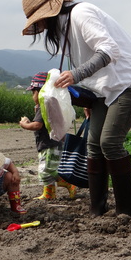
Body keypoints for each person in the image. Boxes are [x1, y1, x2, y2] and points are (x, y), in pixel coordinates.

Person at [21, 0, 131, 216]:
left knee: (110, 143)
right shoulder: (63, 29)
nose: (39, 27)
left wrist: (76, 75)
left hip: (129, 82)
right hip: (103, 90)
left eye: (38, 21)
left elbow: (109, 50)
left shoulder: (81, 13)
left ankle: (127, 212)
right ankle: (97, 209)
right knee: (93, 145)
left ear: (48, 13)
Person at [19, 71, 77, 200]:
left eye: (33, 92)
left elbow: (37, 125)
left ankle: (68, 183)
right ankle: (49, 194)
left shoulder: (44, 106)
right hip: (55, 143)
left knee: (47, 171)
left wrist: (24, 124)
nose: (32, 96)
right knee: (48, 169)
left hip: (49, 145)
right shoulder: (53, 105)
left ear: (39, 92)